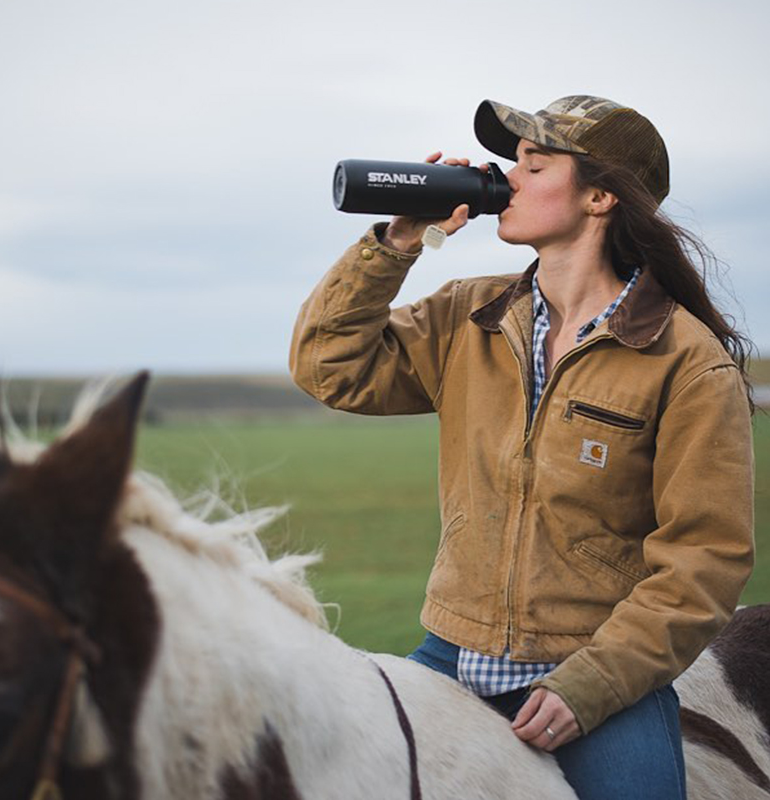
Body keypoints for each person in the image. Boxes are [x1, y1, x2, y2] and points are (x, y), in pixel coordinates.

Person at [289, 95, 756, 799]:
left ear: (600, 196)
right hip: (449, 654)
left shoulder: (686, 362)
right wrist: (393, 245)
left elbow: (705, 558)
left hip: (597, 675)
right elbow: (330, 365)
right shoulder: (466, 317)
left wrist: (592, 686)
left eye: (534, 164)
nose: (507, 177)